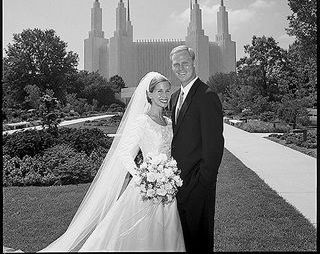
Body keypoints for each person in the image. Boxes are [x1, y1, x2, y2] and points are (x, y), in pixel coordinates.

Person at [3, 72, 185, 252]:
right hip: (144, 188)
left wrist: (169, 175)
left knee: (166, 233)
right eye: (159, 91)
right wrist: (142, 177)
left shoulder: (169, 123)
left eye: (167, 91)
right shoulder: (141, 122)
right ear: (149, 94)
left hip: (167, 188)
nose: (164, 95)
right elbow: (124, 152)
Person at [169, 45, 224, 252]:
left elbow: (214, 146)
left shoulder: (207, 95)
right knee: (183, 242)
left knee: (199, 243)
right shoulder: (174, 98)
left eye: (185, 63)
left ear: (193, 63)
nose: (181, 68)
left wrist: (203, 183)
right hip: (177, 185)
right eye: (176, 64)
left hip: (198, 185)